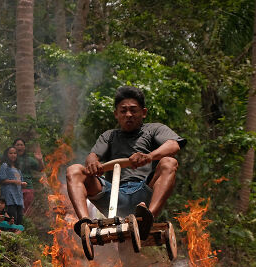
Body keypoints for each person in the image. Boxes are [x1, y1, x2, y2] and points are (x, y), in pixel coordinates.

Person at [66, 85, 185, 240]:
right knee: (74, 170)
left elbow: (174, 145)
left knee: (169, 162)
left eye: (133, 110)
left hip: (144, 192)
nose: (128, 114)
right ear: (116, 114)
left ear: (144, 112)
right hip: (113, 194)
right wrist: (93, 162)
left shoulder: (154, 129)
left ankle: (148, 218)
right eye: (123, 111)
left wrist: (149, 157)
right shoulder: (109, 136)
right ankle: (85, 224)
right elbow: (92, 155)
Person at [13, 138, 44, 215]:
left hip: (28, 187)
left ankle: (24, 225)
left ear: (24, 147)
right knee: (14, 209)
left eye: (21, 145)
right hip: (13, 187)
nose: (19, 147)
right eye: (17, 145)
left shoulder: (29, 159)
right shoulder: (9, 157)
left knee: (26, 211)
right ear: (14, 147)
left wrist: (40, 160)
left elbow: (41, 169)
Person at [0, 145, 26, 227]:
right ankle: (10, 236)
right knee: (12, 218)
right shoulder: (5, 165)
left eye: (15, 153)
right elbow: (1, 180)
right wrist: (16, 182)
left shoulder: (18, 169)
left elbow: (20, 182)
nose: (13, 155)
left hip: (18, 197)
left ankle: (18, 237)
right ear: (7, 154)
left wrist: (23, 184)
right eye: (10, 153)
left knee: (20, 219)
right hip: (9, 197)